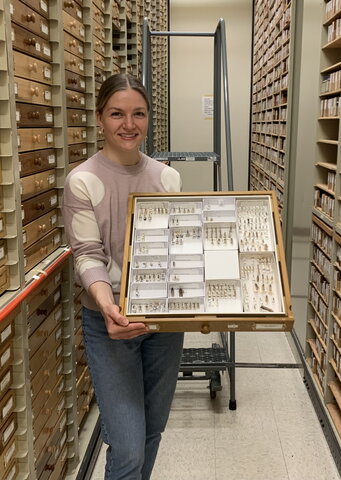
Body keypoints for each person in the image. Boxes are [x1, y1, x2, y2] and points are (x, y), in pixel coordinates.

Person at [61, 73, 184, 480]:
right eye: (117, 114)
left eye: (138, 114)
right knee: (128, 446)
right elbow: (87, 254)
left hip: (162, 322)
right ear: (99, 119)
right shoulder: (82, 181)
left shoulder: (167, 178)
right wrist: (107, 304)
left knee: (151, 432)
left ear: (149, 119)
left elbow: (176, 252)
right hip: (108, 320)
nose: (128, 125)